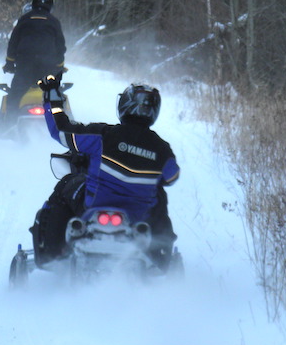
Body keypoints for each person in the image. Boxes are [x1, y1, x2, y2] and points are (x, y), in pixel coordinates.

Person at [30, 77, 180, 269]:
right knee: (159, 194)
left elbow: (60, 131)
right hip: (137, 216)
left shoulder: (102, 135)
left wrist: (52, 98)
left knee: (65, 186)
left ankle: (52, 251)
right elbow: (172, 177)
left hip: (93, 206)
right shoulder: (162, 150)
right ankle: (159, 256)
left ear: (125, 104)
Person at [0, 0, 66, 132]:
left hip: (25, 67)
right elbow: (61, 47)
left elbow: (13, 43)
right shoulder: (54, 22)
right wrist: (59, 66)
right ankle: (64, 125)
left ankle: (8, 127)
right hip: (48, 68)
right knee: (56, 95)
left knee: (14, 96)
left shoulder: (24, 20)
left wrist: (10, 62)